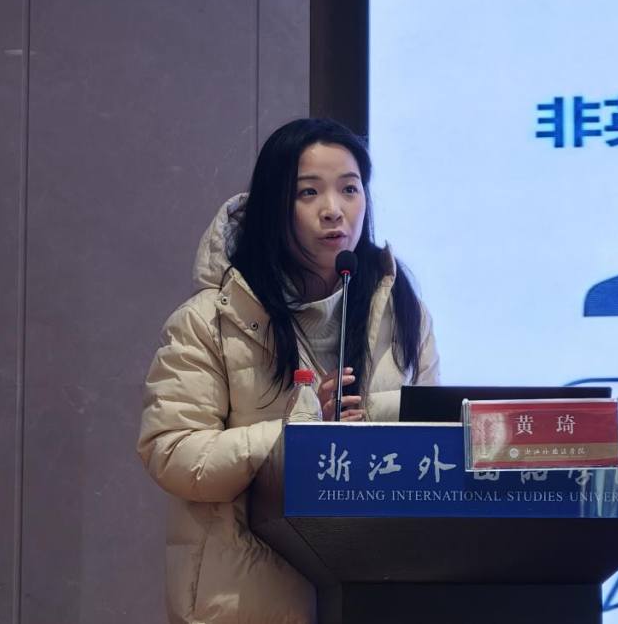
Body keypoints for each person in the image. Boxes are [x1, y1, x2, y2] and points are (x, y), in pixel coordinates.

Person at [137, 118, 440, 624]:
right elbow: (172, 454)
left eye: (350, 189)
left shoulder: (404, 312)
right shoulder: (210, 320)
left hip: (373, 595)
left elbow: (432, 441)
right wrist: (295, 436)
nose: (334, 209)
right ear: (274, 206)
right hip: (245, 602)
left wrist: (376, 424)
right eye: (308, 192)